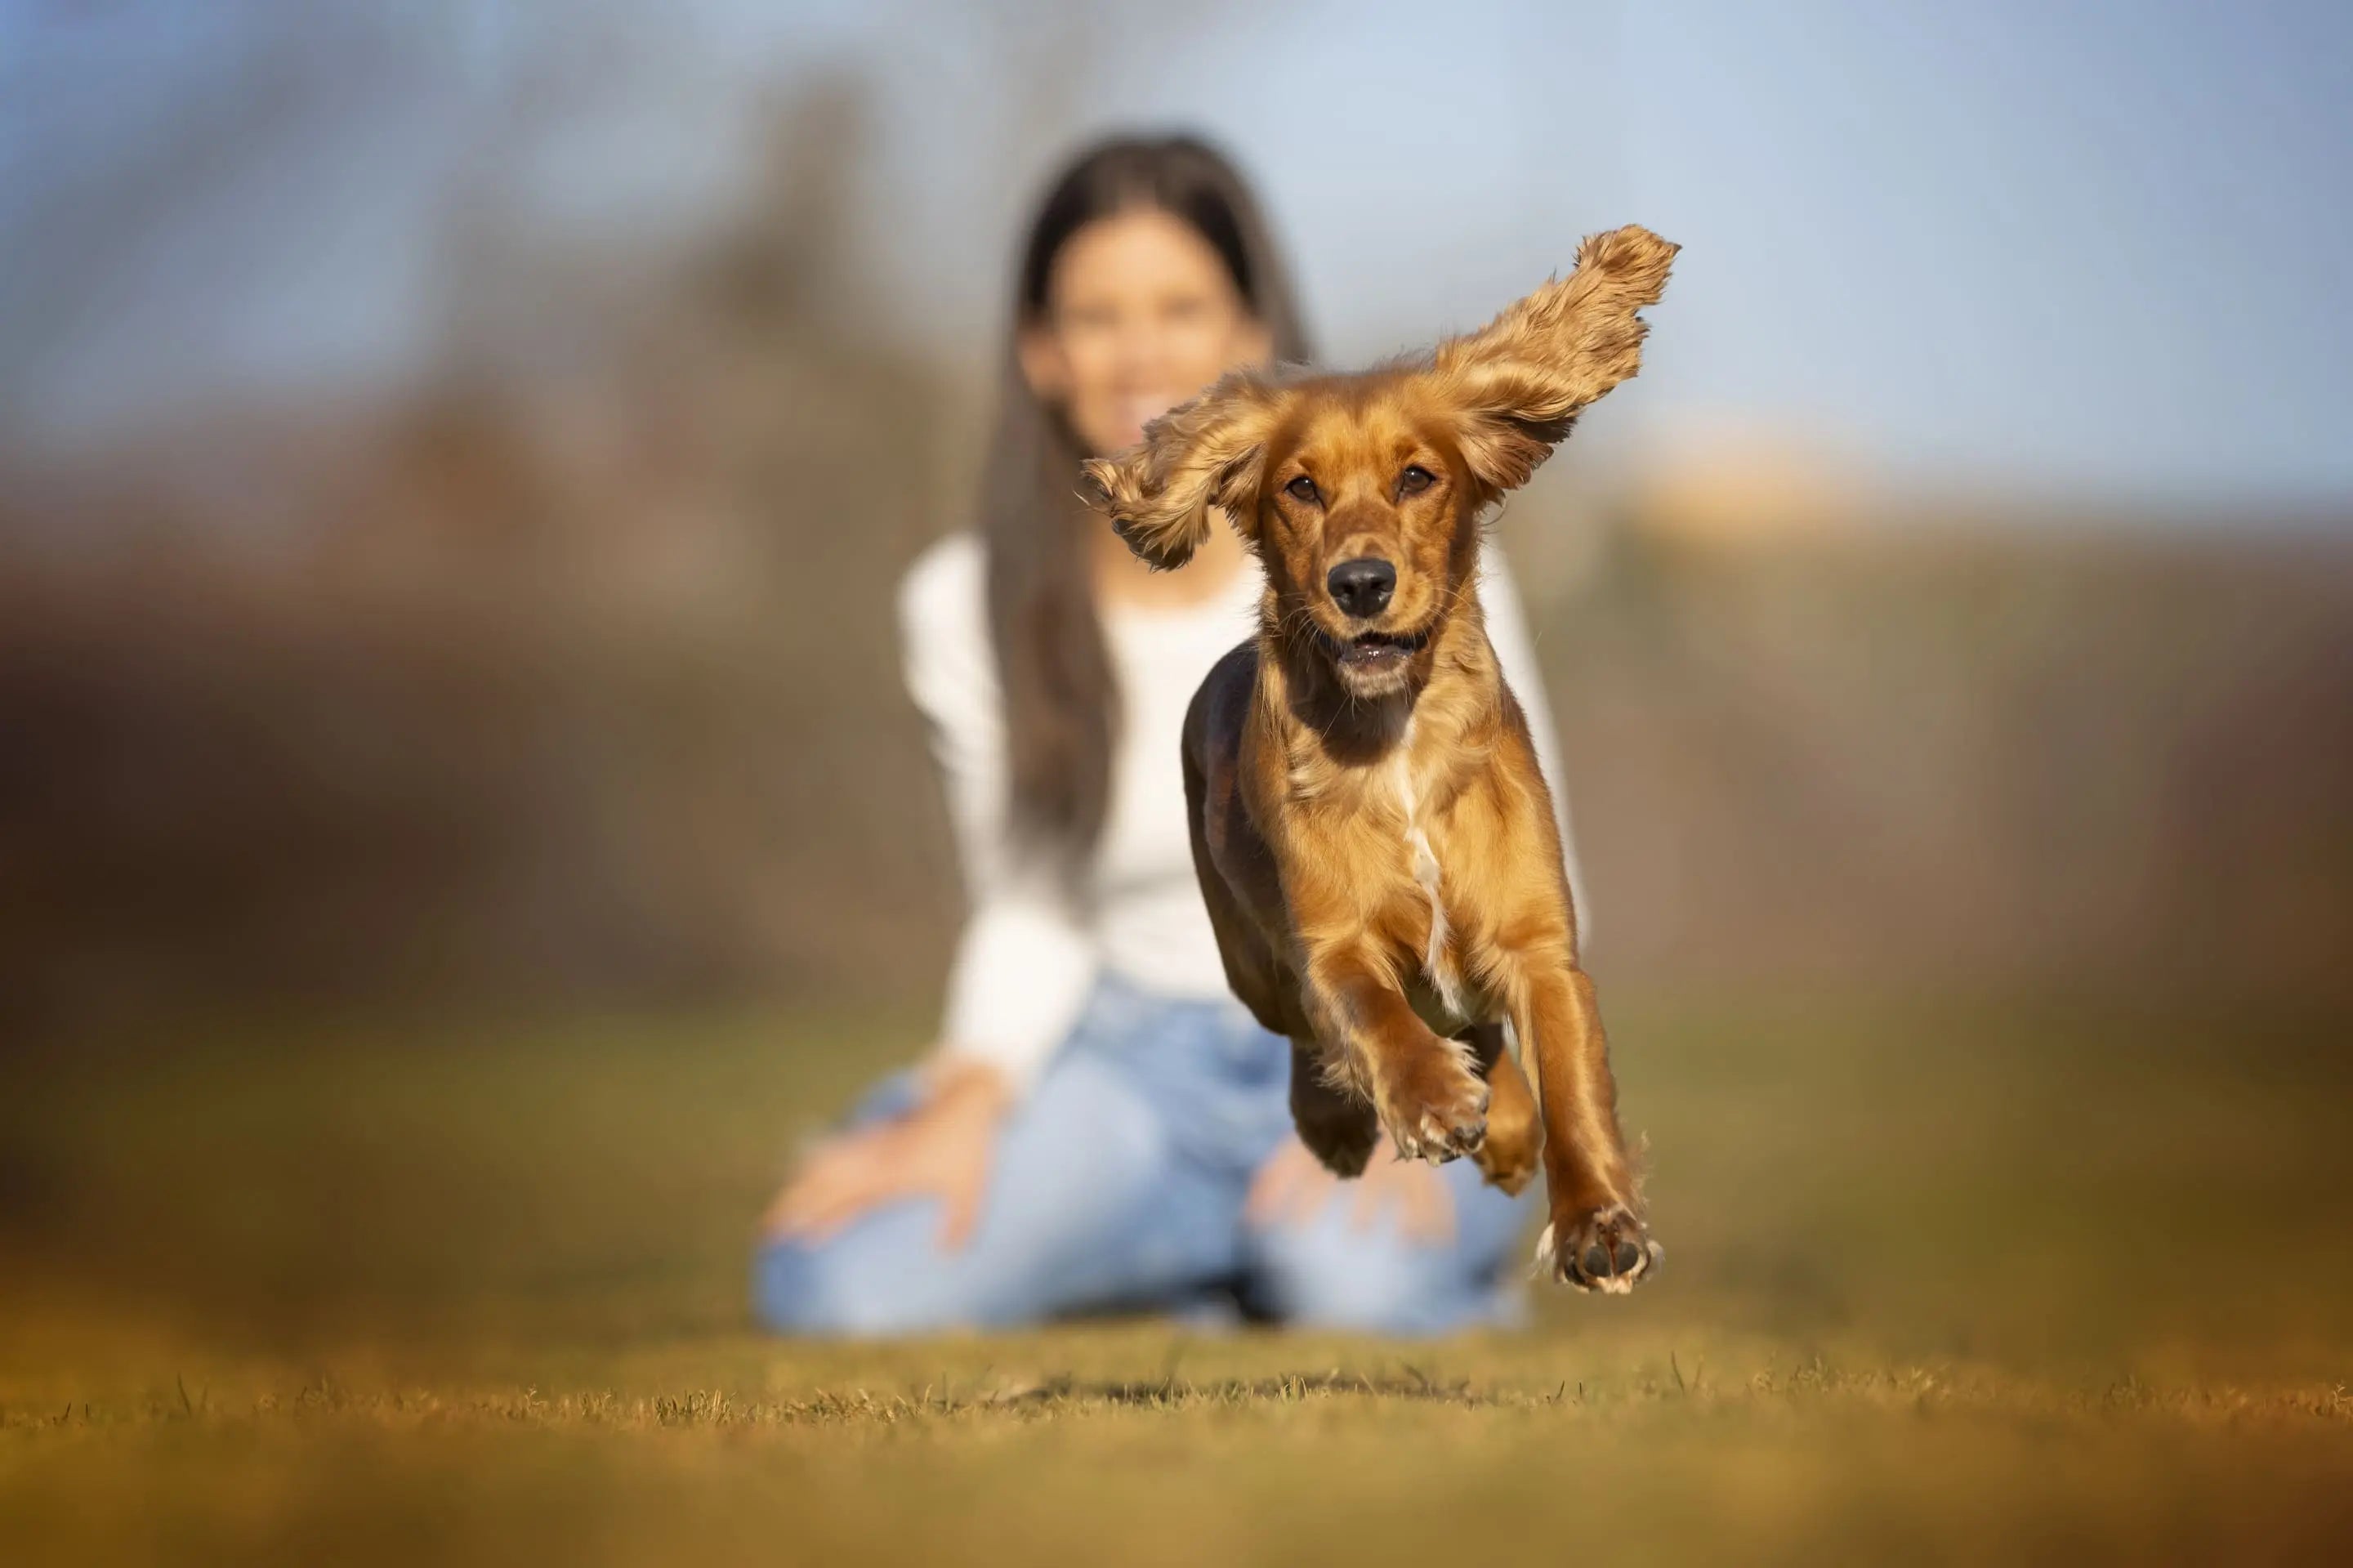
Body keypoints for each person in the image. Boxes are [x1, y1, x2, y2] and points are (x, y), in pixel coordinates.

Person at [754, 135, 1588, 1337]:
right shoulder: (963, 600)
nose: (1140, 351)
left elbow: (1532, 883)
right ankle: (1218, 1255)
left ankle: (1258, 1263)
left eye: (1181, 307)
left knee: (1350, 1286)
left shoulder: (1415, 568)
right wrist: (973, 1087)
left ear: (1252, 329)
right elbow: (1033, 898)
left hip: (1397, 1031)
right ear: (1041, 352)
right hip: (1131, 1068)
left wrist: (1422, 1084)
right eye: (1096, 316)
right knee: (833, 1284)